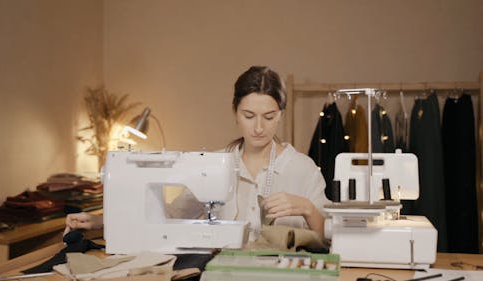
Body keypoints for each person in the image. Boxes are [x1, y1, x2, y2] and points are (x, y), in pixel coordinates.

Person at [65, 66, 329, 240]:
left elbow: (329, 237)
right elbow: (169, 216)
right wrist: (101, 221)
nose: (259, 127)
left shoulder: (303, 169)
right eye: (249, 115)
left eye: (269, 116)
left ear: (280, 115)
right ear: (235, 113)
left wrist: (307, 208)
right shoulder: (212, 165)